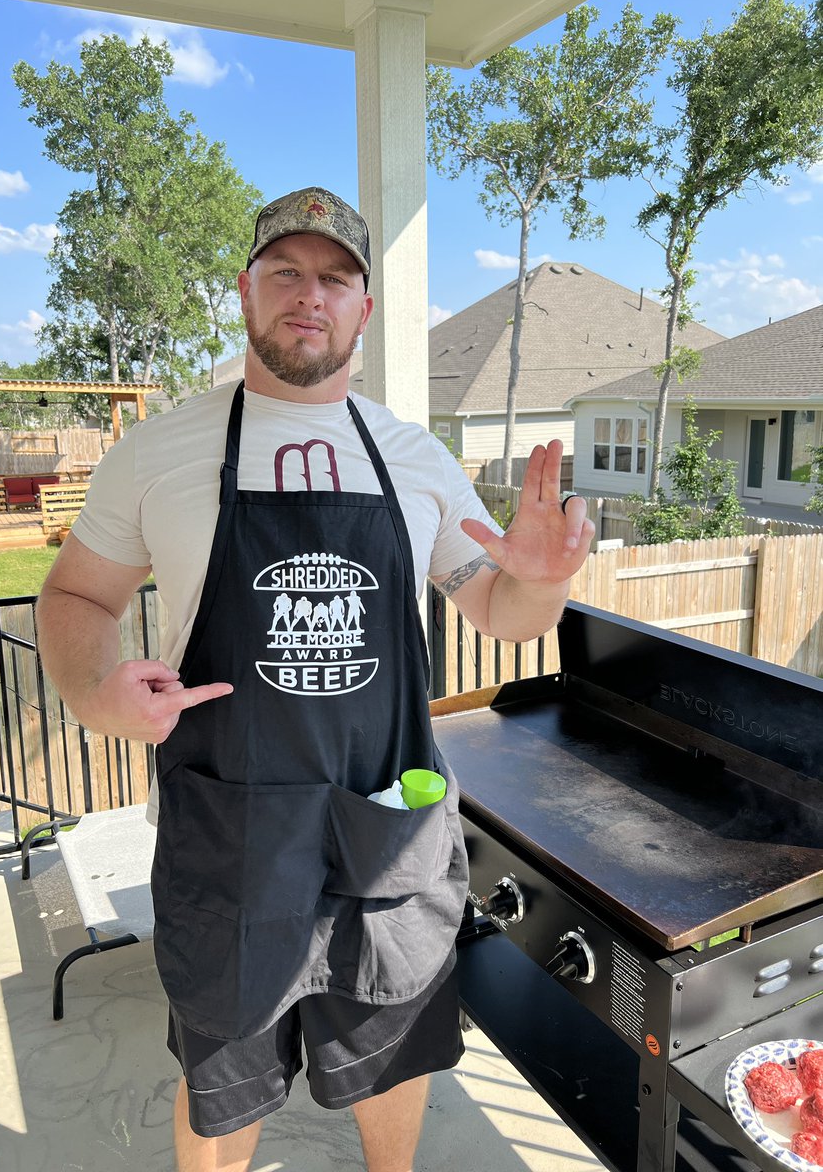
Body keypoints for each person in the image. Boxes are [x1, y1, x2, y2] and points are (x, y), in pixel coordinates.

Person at [35, 185, 594, 1172]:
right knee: (220, 1076)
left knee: (398, 1054)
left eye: (335, 279)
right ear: (245, 290)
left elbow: (499, 618)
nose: (310, 295)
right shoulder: (160, 450)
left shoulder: (415, 459)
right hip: (233, 844)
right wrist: (96, 693)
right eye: (286, 273)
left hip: (387, 833)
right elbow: (76, 597)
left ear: (364, 312)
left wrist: (541, 585)